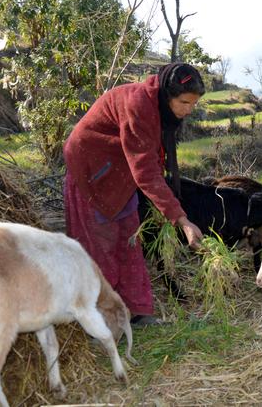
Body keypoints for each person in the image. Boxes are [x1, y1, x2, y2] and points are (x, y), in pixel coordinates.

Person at [63, 63, 205, 326]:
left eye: (193, 104)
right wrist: (181, 220)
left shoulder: (159, 107)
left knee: (129, 242)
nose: (188, 110)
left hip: (121, 173)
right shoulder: (139, 105)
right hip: (92, 172)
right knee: (99, 249)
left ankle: (136, 313)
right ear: (167, 94)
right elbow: (146, 171)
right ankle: (100, 323)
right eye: (185, 102)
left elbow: (148, 161)